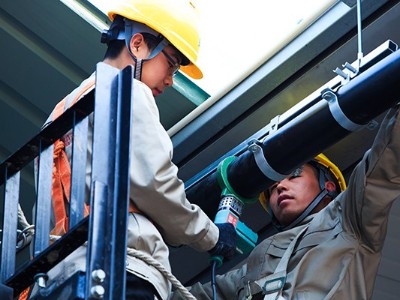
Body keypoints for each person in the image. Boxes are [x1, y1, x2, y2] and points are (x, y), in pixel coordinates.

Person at [29, 0, 236, 299]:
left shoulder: (61, 111)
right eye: (172, 64)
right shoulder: (128, 90)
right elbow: (155, 183)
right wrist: (211, 236)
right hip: (120, 270)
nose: (170, 80)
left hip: (58, 276)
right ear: (138, 44)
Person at [170, 103, 400, 299]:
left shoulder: (349, 219)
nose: (279, 186)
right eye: (270, 189)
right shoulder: (257, 262)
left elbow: (385, 161)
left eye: (295, 175)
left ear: (328, 185)